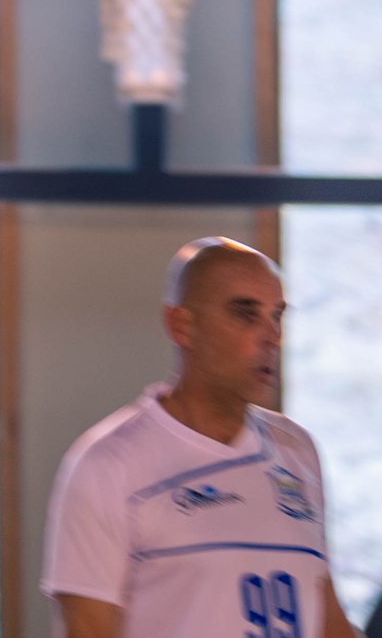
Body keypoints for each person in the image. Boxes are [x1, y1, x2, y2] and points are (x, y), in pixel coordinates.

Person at [43, 237, 362, 638]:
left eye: (276, 316)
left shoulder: (297, 451)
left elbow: (327, 619)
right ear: (182, 325)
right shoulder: (107, 465)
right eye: (246, 314)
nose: (271, 337)